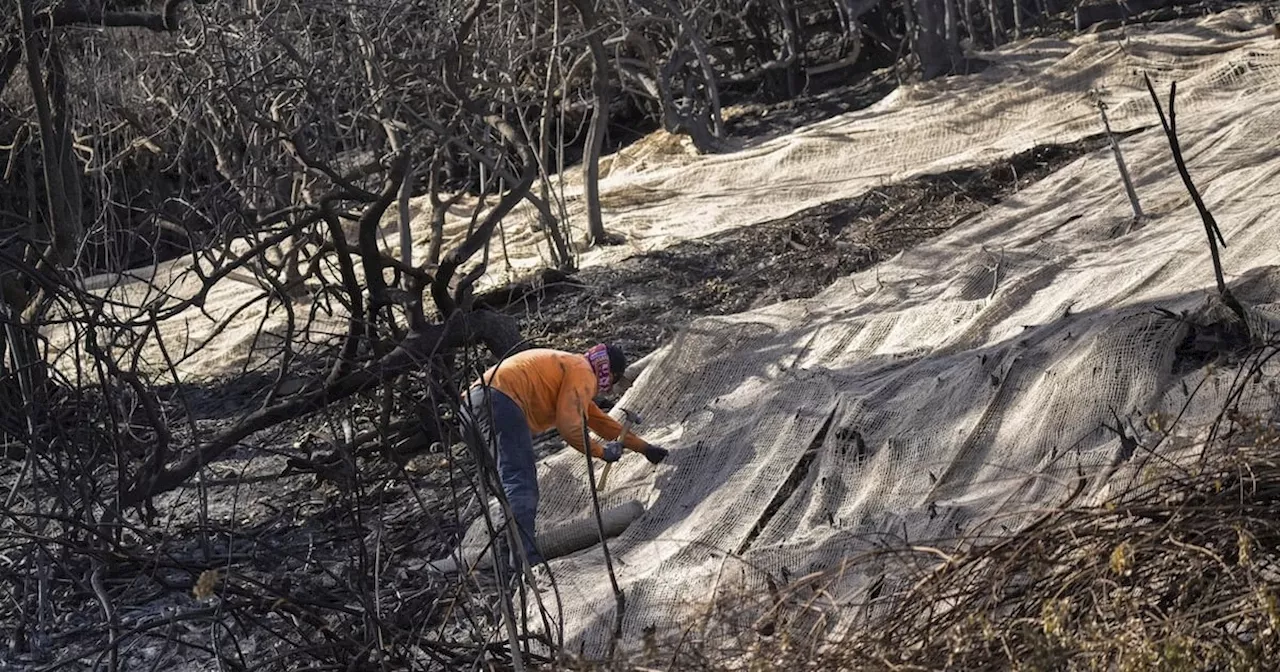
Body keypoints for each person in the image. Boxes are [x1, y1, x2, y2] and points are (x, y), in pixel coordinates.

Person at [460, 344, 668, 567]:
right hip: (500, 402)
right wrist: (601, 452)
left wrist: (645, 448)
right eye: (614, 381)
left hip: (471, 405)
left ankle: (506, 557)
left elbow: (602, 423)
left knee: (506, 486)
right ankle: (523, 560)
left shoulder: (573, 366)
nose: (608, 388)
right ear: (611, 373)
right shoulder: (583, 372)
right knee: (520, 484)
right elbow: (569, 426)